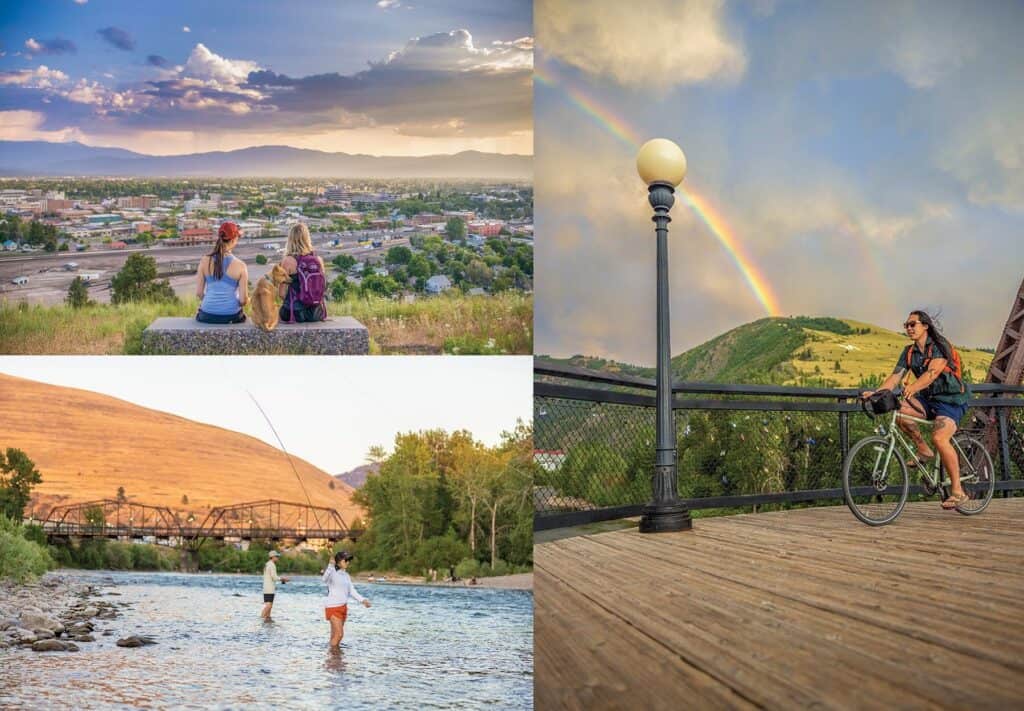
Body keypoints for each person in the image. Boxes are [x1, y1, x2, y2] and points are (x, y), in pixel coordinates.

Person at [862, 310, 971, 509]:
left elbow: (933, 372)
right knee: (899, 411)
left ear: (925, 326)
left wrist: (912, 387)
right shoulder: (909, 352)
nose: (909, 328)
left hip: (951, 400)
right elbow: (895, 378)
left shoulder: (940, 346)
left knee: (939, 437)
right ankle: (923, 449)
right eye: (906, 325)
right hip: (927, 400)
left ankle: (958, 491)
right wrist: (876, 393)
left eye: (913, 324)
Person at [196, 221, 249, 324]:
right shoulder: (241, 266)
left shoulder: (204, 260)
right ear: (234, 239)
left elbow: (199, 293)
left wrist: (212, 304)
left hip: (207, 314)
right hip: (231, 316)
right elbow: (243, 300)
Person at [278, 223, 327, 323]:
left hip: (294, 312)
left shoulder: (288, 261)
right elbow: (323, 287)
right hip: (315, 313)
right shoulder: (318, 260)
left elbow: (281, 293)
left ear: (290, 239)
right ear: (307, 238)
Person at [322, 550, 371, 650]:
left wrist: (362, 600)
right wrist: (330, 566)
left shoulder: (346, 576)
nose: (348, 562)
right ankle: (333, 657)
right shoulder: (332, 572)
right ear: (339, 562)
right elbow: (324, 579)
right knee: (339, 634)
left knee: (335, 635)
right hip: (333, 607)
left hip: (343, 608)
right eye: (346, 560)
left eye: (349, 560)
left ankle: (333, 661)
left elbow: (352, 591)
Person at [261, 550, 289, 621]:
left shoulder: (267, 564)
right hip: (269, 588)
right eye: (276, 556)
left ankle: (267, 621)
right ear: (272, 557)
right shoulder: (272, 565)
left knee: (269, 607)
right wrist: (283, 579)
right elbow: (274, 577)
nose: (278, 558)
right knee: (269, 606)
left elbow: (270, 577)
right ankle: (261, 619)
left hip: (267, 587)